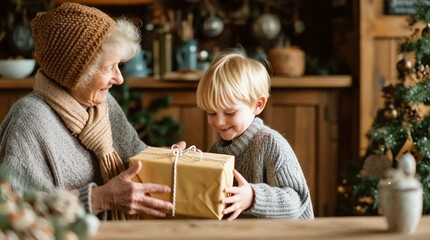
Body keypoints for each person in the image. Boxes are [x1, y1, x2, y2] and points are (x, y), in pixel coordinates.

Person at [0, 2, 182, 220]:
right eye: (108, 68)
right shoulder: (30, 119)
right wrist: (99, 199)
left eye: (119, 65)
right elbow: (12, 210)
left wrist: (165, 158)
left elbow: (134, 157)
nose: (119, 78)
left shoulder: (102, 105)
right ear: (75, 73)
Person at [196, 50, 314, 220]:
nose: (219, 122)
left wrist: (253, 198)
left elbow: (297, 199)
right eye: (211, 113)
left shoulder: (270, 144)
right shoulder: (216, 150)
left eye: (230, 112)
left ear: (257, 105)